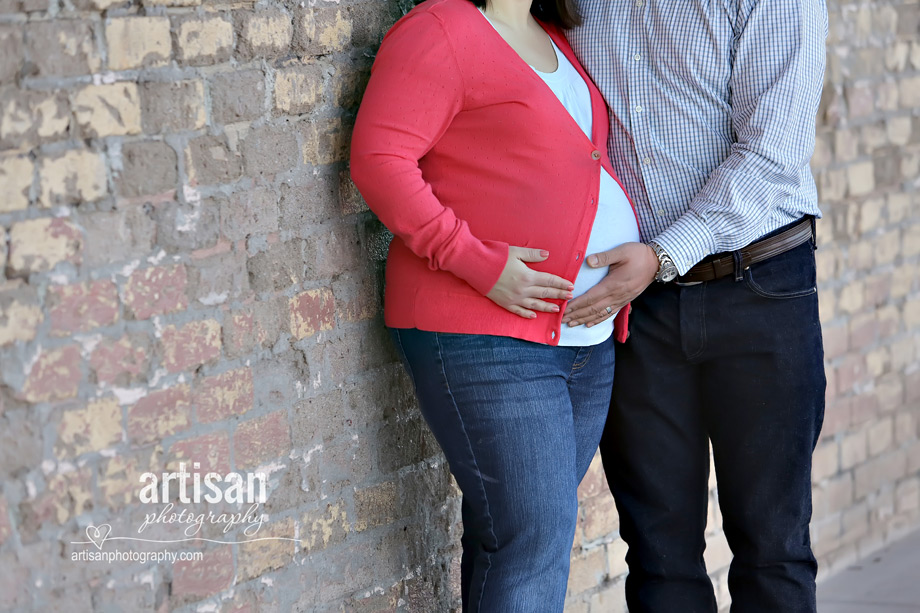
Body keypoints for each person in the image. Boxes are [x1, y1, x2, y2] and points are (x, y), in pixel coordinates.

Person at [349, 0, 640, 609]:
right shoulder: (443, 28)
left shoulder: (553, 34)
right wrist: (480, 263)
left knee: (519, 539)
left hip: (581, 343)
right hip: (486, 336)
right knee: (532, 541)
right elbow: (380, 160)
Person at [559, 1, 830, 611]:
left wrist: (663, 253)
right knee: (658, 556)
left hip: (760, 283)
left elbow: (773, 150)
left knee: (773, 551)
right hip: (638, 305)